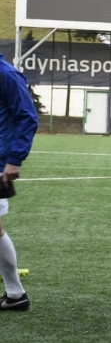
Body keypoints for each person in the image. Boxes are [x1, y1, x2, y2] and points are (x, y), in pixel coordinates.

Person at [0, 51, 39, 312]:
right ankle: (15, 294)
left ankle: (16, 294)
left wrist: (14, 159)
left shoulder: (7, 74)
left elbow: (28, 117)